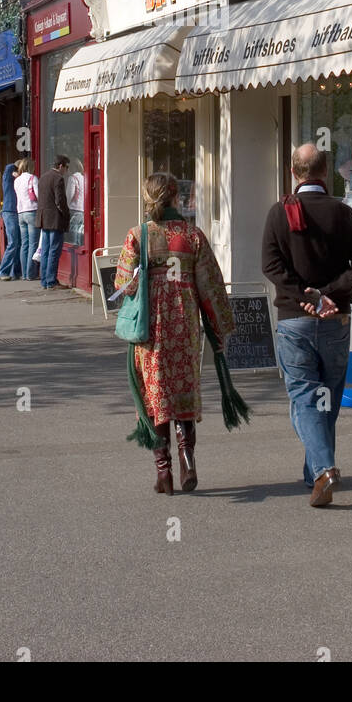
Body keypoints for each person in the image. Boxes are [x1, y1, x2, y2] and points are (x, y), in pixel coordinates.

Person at [262, 143, 352, 509]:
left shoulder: (279, 213)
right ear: (325, 172)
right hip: (336, 318)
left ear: (295, 173)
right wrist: (328, 293)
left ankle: (323, 468)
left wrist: (305, 296)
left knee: (305, 396)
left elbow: (271, 266)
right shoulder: (343, 213)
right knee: (327, 396)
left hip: (295, 320)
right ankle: (316, 472)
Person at [113, 171, 234, 495]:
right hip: (184, 328)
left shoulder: (137, 235)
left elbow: (122, 284)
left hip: (151, 331)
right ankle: (187, 458)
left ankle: (163, 471)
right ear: (174, 197)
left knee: (157, 398)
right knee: (182, 393)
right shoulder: (192, 235)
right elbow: (211, 285)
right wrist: (221, 326)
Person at [36, 155, 70, 289]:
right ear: (61, 166)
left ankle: (44, 280)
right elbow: (59, 201)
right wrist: (67, 214)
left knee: (45, 250)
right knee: (54, 251)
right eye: (66, 167)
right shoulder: (58, 178)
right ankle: (51, 281)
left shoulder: (43, 177)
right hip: (55, 219)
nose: (66, 170)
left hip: (44, 219)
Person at [14, 158, 40, 280]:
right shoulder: (32, 178)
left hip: (20, 213)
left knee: (24, 244)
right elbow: (39, 195)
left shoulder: (17, 180)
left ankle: (24, 273)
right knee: (33, 244)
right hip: (31, 212)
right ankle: (30, 274)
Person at [0, 162, 21, 280]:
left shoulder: (16, 181)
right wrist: (16, 166)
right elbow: (8, 168)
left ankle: (15, 271)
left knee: (18, 243)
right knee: (13, 242)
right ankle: (3, 271)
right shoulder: (7, 179)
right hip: (10, 211)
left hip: (16, 211)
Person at [66, 158, 85, 246]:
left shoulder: (72, 178)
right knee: (80, 232)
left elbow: (69, 195)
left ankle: (74, 252)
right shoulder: (84, 178)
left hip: (74, 209)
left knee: (73, 233)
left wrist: (66, 205)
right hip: (82, 209)